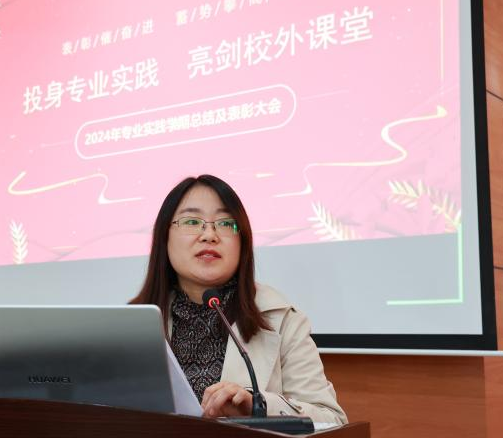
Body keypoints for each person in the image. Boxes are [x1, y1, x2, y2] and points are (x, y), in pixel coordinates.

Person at [131, 174, 347, 424]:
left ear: (242, 242)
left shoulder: (281, 318)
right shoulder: (131, 324)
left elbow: (331, 420)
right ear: (164, 237)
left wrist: (258, 406)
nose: (209, 235)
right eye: (192, 221)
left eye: (225, 223)